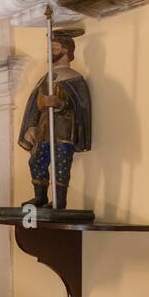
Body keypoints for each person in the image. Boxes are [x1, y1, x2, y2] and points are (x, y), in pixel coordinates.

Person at [17, 30, 91, 209]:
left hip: (63, 130)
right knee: (36, 160)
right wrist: (32, 126)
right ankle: (40, 197)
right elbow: (35, 105)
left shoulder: (75, 79)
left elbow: (81, 106)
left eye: (55, 48)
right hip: (43, 130)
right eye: (49, 48)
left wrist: (60, 104)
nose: (50, 52)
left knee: (61, 163)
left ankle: (59, 201)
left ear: (66, 50)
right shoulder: (45, 78)